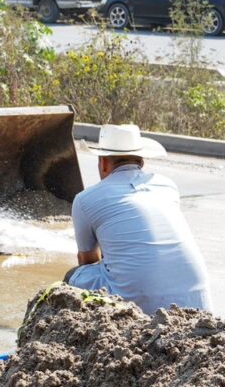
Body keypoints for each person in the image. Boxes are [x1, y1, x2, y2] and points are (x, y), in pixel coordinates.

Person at [64, 124, 211, 312]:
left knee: (74, 277)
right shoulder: (167, 186)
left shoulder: (85, 200)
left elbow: (88, 260)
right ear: (141, 162)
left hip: (141, 309)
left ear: (103, 163)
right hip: (197, 306)